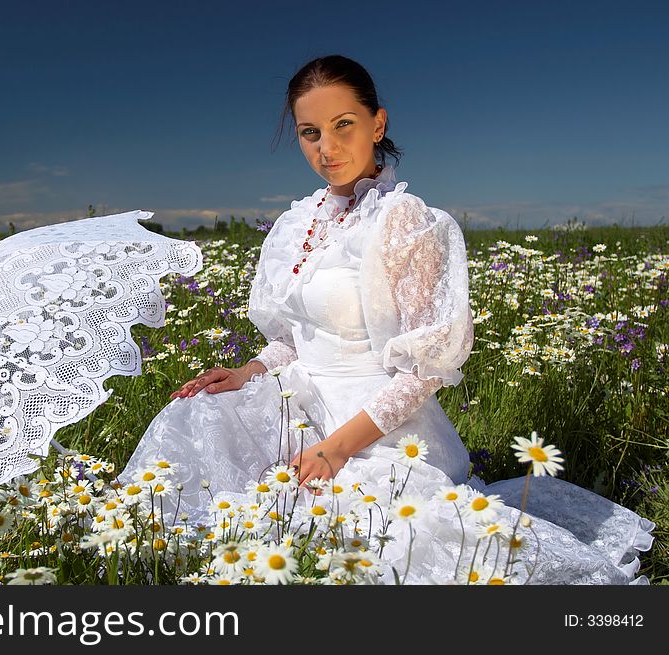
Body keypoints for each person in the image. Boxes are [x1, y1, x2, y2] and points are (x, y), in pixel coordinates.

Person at [119, 55, 654, 584]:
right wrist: (245, 373)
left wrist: (334, 450)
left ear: (378, 123)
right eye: (310, 133)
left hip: (379, 430)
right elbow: (293, 341)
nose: (326, 149)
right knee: (193, 422)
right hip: (300, 404)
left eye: (343, 125)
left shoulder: (405, 221)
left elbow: (422, 372)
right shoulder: (296, 222)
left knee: (362, 539)